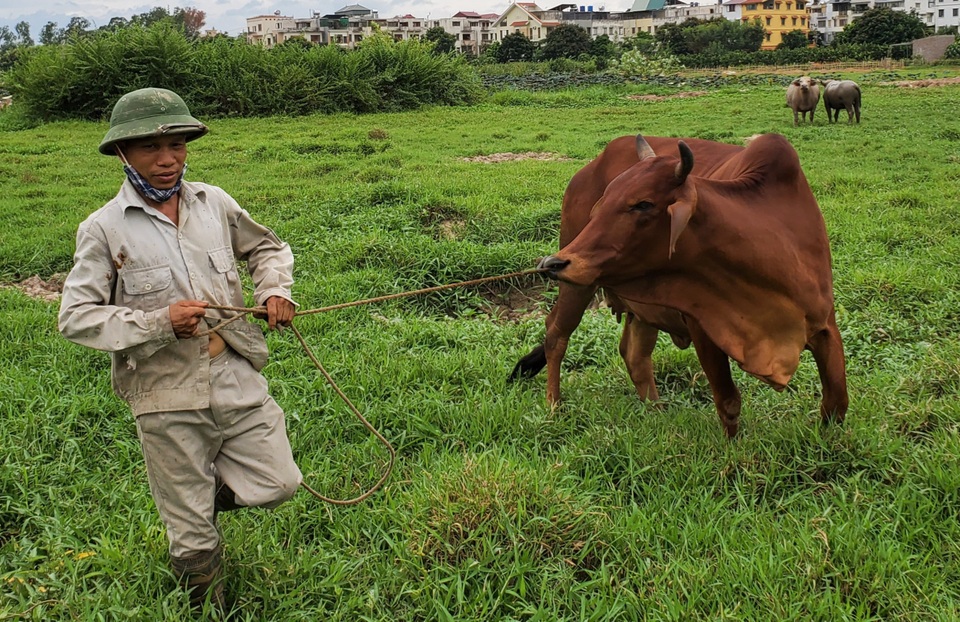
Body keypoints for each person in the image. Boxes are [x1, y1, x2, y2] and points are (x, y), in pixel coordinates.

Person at [58, 87, 303, 613]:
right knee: (190, 533)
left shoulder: (213, 202)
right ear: (122, 152)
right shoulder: (103, 229)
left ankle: (199, 501)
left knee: (279, 481)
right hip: (163, 389)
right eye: (149, 147)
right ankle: (204, 597)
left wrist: (274, 290)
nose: (166, 160)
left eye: (177, 144)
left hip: (232, 369)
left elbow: (267, 247)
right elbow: (77, 318)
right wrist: (157, 321)